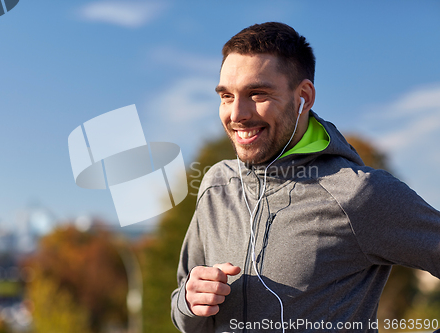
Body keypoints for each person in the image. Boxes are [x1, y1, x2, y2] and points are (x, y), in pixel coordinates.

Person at [170, 22, 440, 332]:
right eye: (226, 96)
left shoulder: (358, 193)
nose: (236, 114)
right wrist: (190, 302)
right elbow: (184, 313)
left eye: (257, 94)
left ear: (304, 96)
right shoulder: (216, 184)